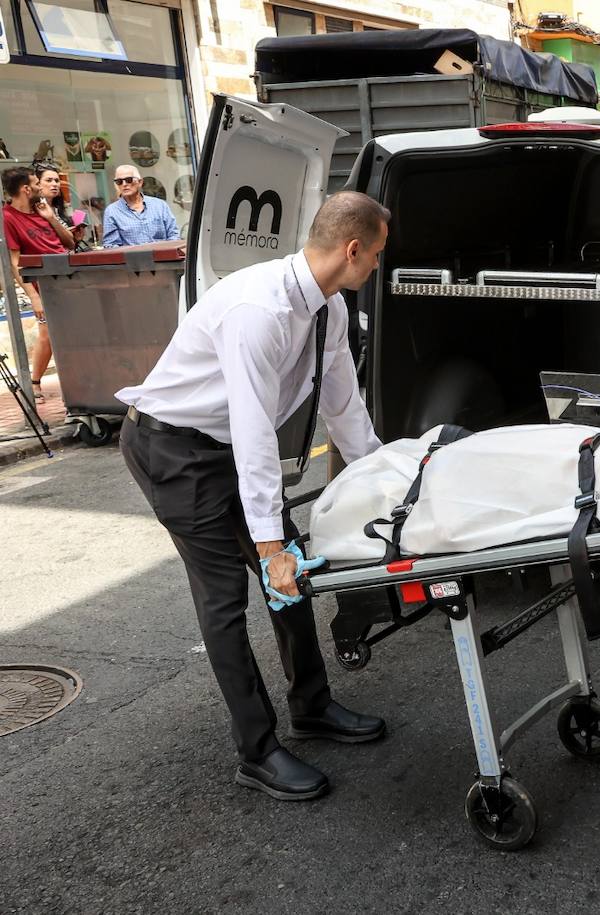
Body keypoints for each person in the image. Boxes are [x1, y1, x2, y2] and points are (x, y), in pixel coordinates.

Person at [117, 191, 391, 802]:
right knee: (227, 599)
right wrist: (269, 549)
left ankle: (312, 705)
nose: (376, 265)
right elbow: (252, 434)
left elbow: (345, 409)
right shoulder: (257, 310)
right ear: (351, 250)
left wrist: (388, 485)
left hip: (221, 446)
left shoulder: (329, 309)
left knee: (292, 577)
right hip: (173, 450)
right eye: (375, 254)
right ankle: (257, 750)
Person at [3, 166, 73, 402]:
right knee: (48, 333)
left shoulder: (42, 209)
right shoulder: (8, 218)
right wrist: (33, 296)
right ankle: (34, 382)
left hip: (68, 276)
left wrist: (51, 219)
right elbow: (14, 262)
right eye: (36, 183)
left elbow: (70, 243)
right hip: (43, 283)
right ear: (25, 188)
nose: (40, 187)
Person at [102, 164, 181, 246]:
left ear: (140, 182)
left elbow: (174, 235)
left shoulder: (160, 206)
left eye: (129, 180)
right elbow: (110, 245)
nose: (124, 184)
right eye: (119, 182)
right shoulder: (112, 211)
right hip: (132, 258)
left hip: (163, 256)